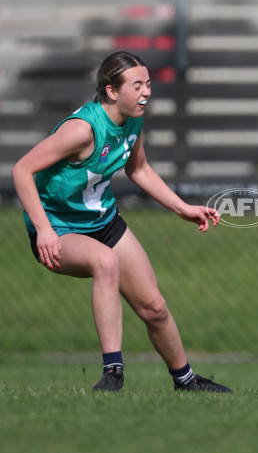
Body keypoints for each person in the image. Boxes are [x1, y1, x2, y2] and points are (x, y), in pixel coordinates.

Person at [11, 51, 232, 393]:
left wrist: (181, 207)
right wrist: (42, 229)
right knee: (105, 262)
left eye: (149, 84)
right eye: (138, 85)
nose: (146, 92)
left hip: (105, 221)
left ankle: (187, 381)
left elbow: (138, 168)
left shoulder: (132, 119)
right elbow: (22, 170)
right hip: (60, 228)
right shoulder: (82, 131)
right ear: (112, 91)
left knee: (155, 307)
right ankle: (113, 372)